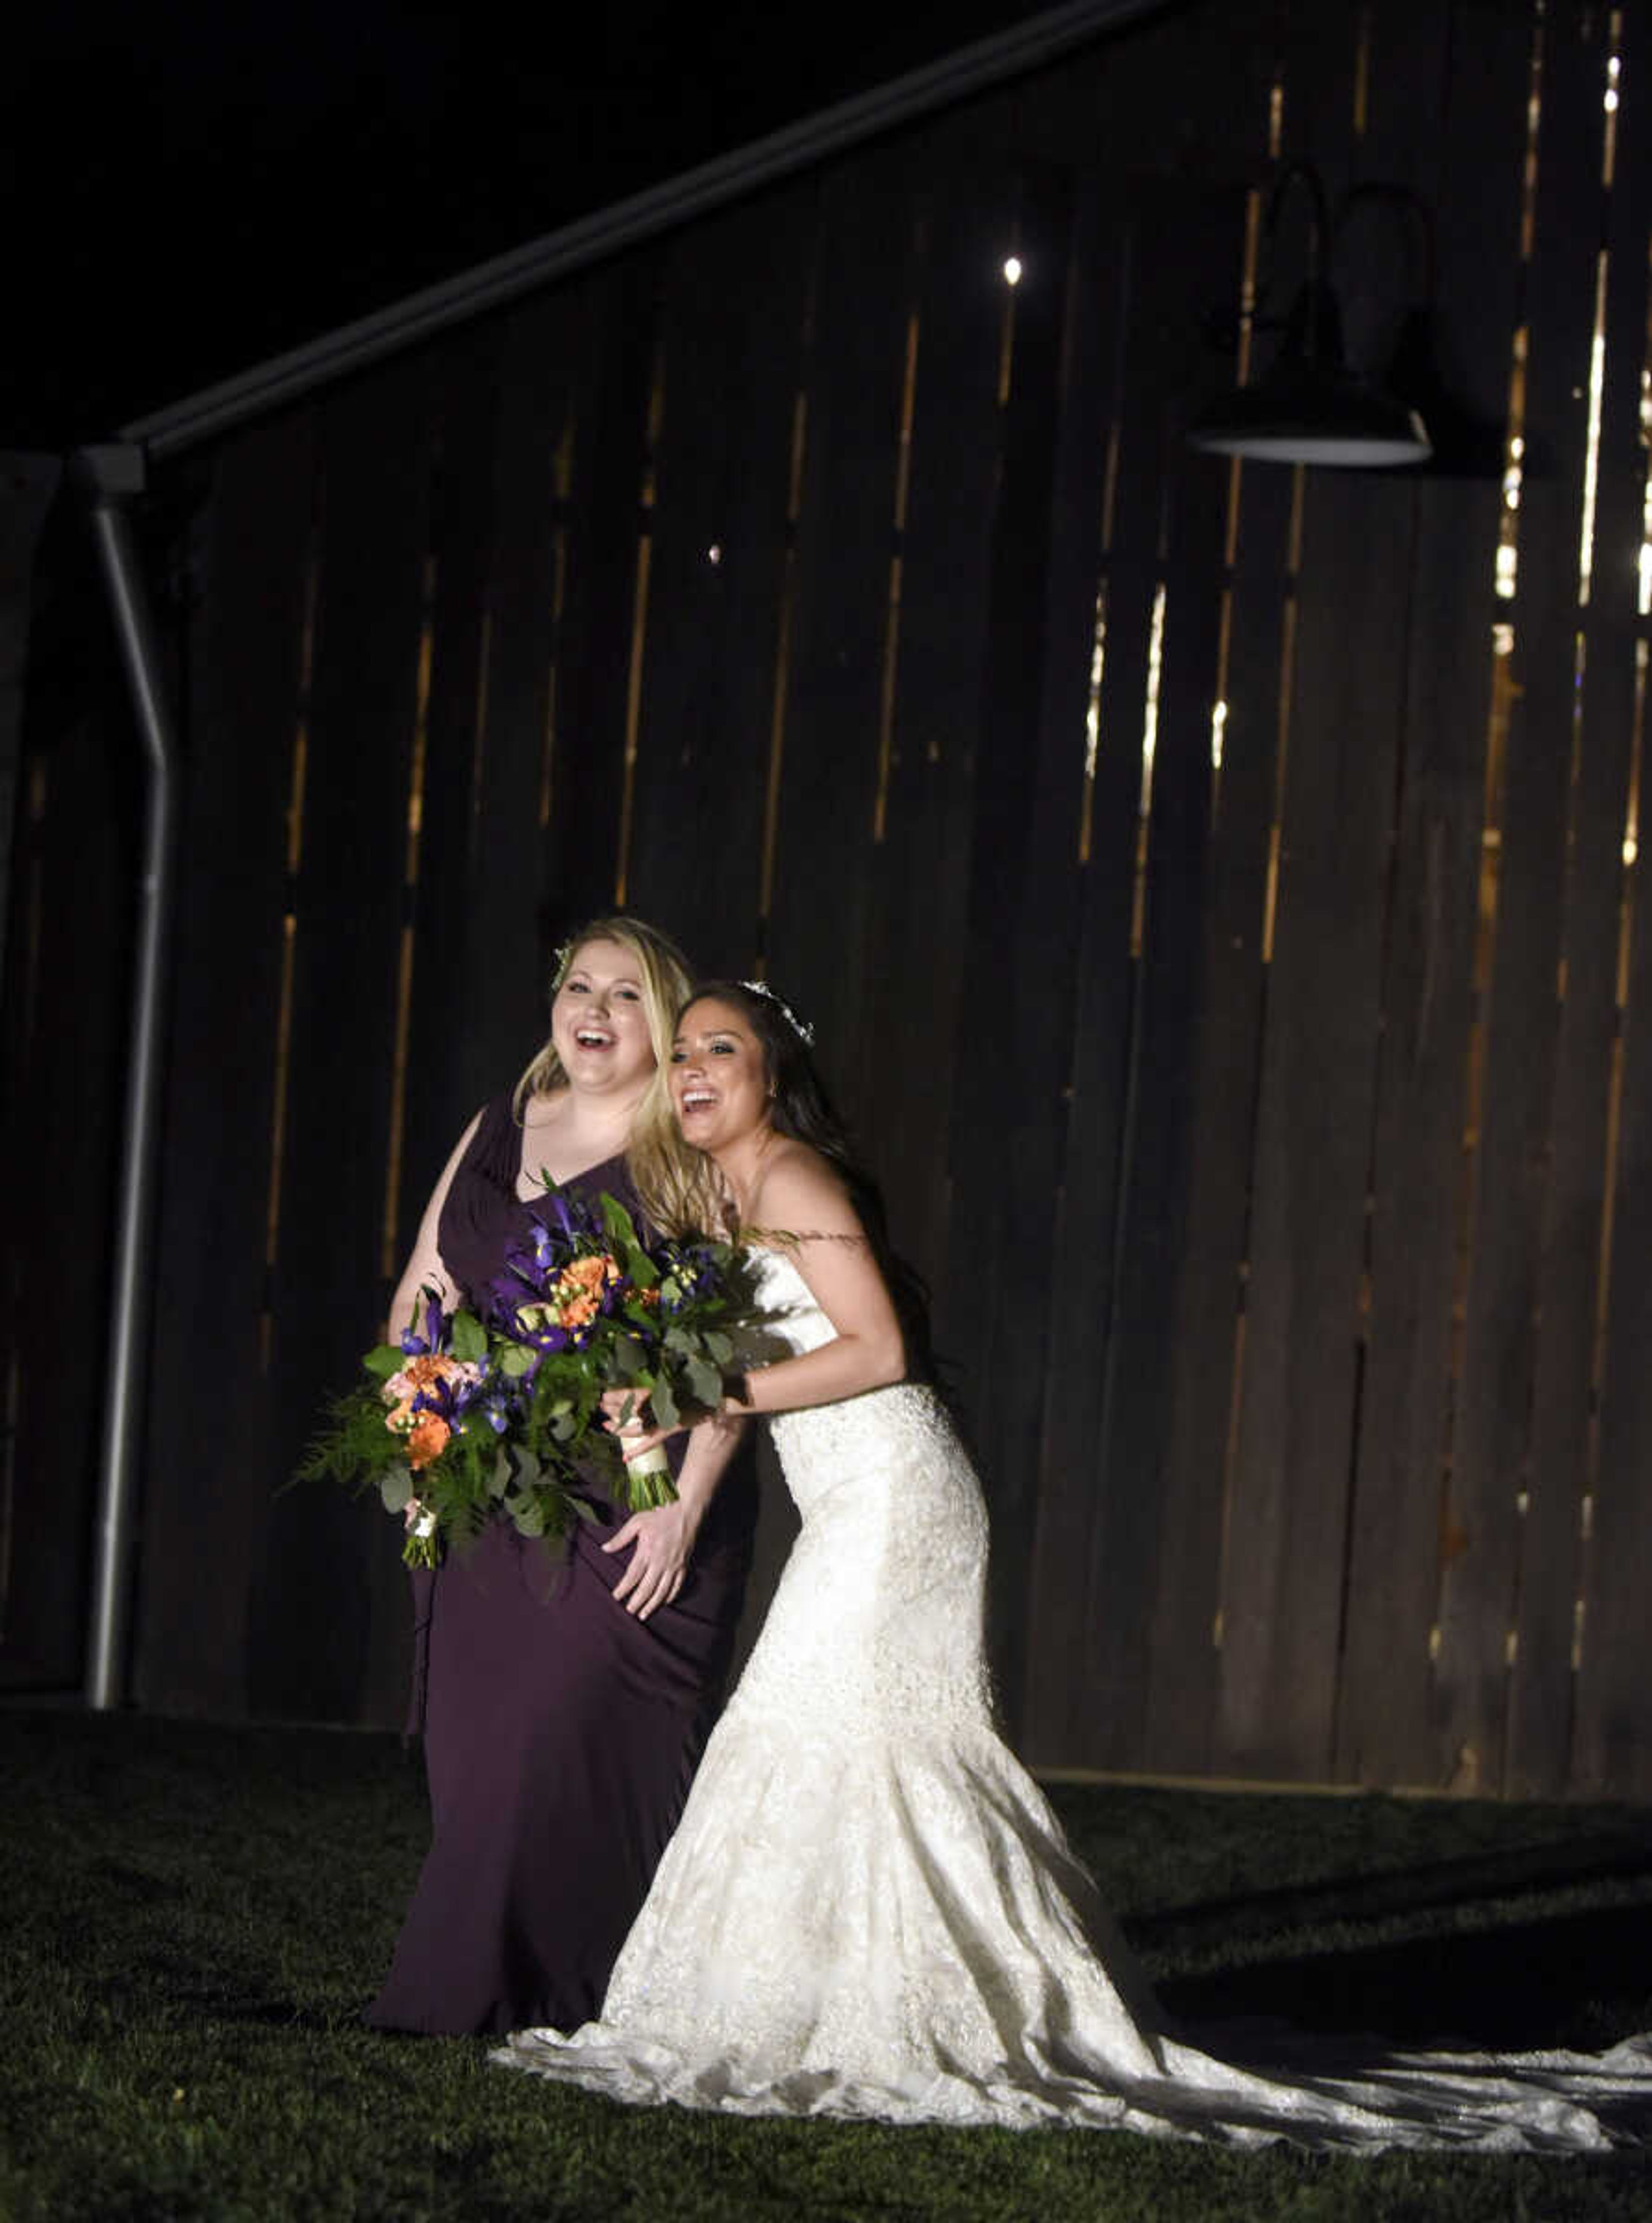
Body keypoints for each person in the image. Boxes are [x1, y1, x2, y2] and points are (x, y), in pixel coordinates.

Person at [495, 981, 1652, 2149]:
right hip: (845, 1498)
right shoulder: (728, 1200)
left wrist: (702, 1388)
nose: (693, 1068)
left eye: (721, 1049)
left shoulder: (794, 1178)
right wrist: (669, 1463)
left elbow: (880, 1346)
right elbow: (736, 1378)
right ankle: (825, 2003)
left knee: (837, 1731)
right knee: (822, 1737)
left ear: (773, 1075)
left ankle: (929, 2013)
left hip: (898, 1505)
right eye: (682, 1051)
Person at [366, 922, 755, 2038]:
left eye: (625, 995)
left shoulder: (686, 1149)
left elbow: (736, 1348)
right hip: (491, 1482)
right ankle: (526, 1989)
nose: (593, 1008)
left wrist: (684, 1509)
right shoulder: (498, 1125)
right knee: (479, 1754)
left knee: (564, 1744)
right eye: (578, 986)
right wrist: (424, 1426)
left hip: (636, 1496)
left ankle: (509, 1993)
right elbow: (419, 1298)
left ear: (666, 1022)